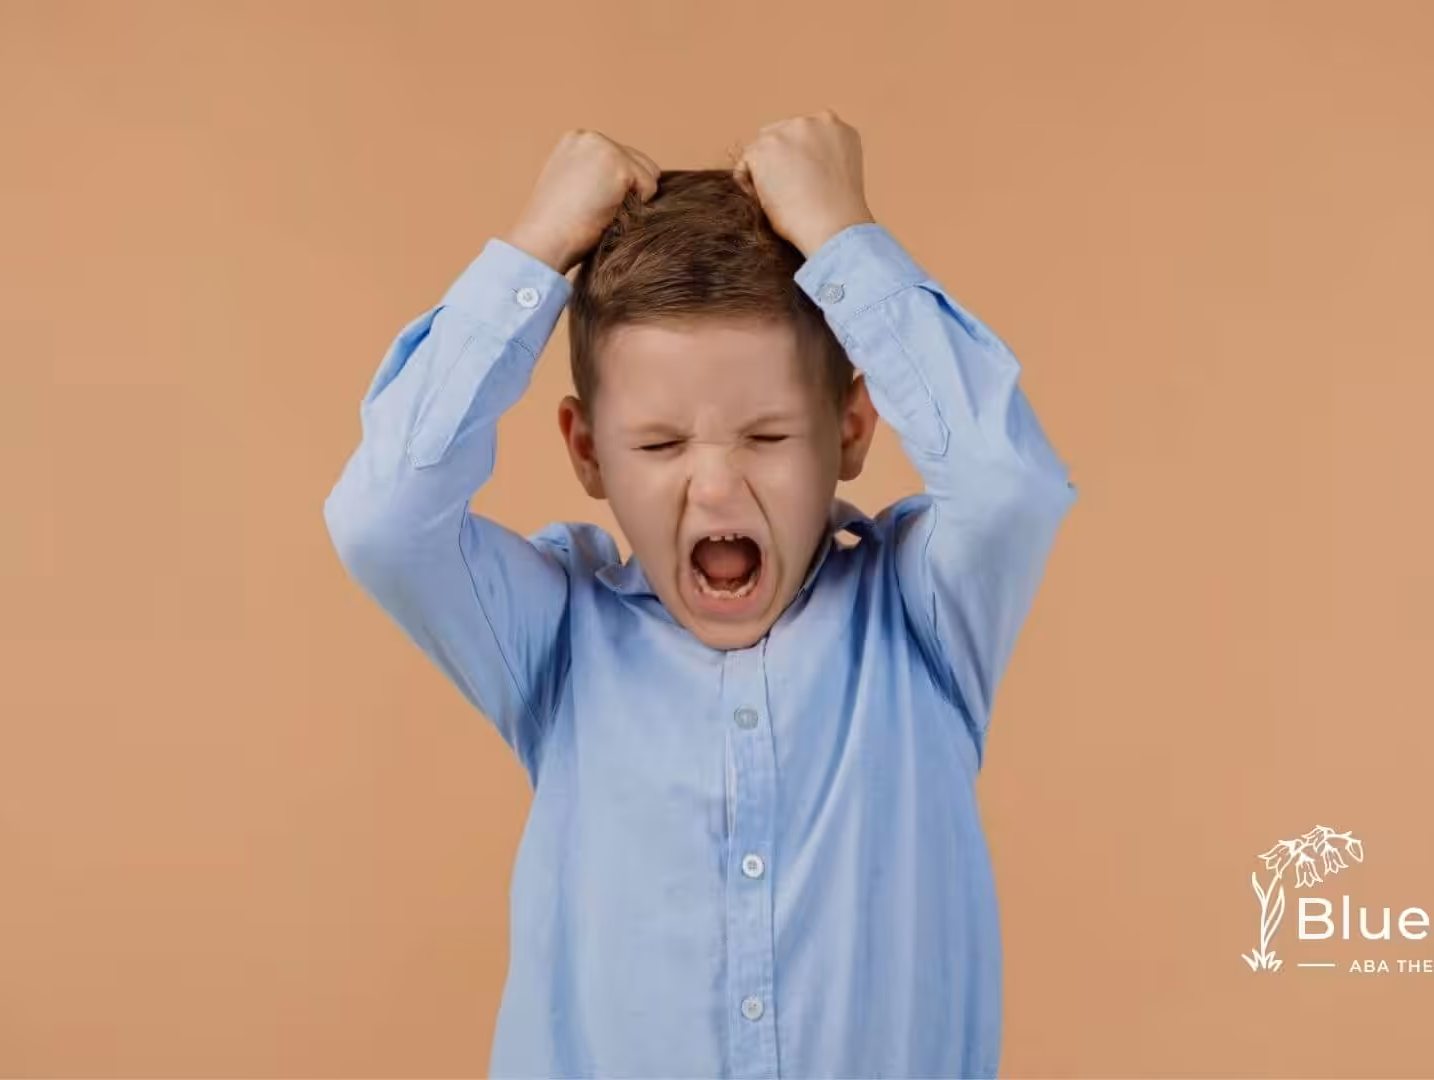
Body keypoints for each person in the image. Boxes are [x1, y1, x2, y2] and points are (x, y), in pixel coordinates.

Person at [324, 110, 1079, 1079]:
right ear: (588, 452)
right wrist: (533, 250)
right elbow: (383, 514)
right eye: (659, 444)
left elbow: (1009, 483)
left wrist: (848, 242)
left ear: (850, 429)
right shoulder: (557, 635)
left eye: (766, 437)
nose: (717, 487)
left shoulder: (923, 619)